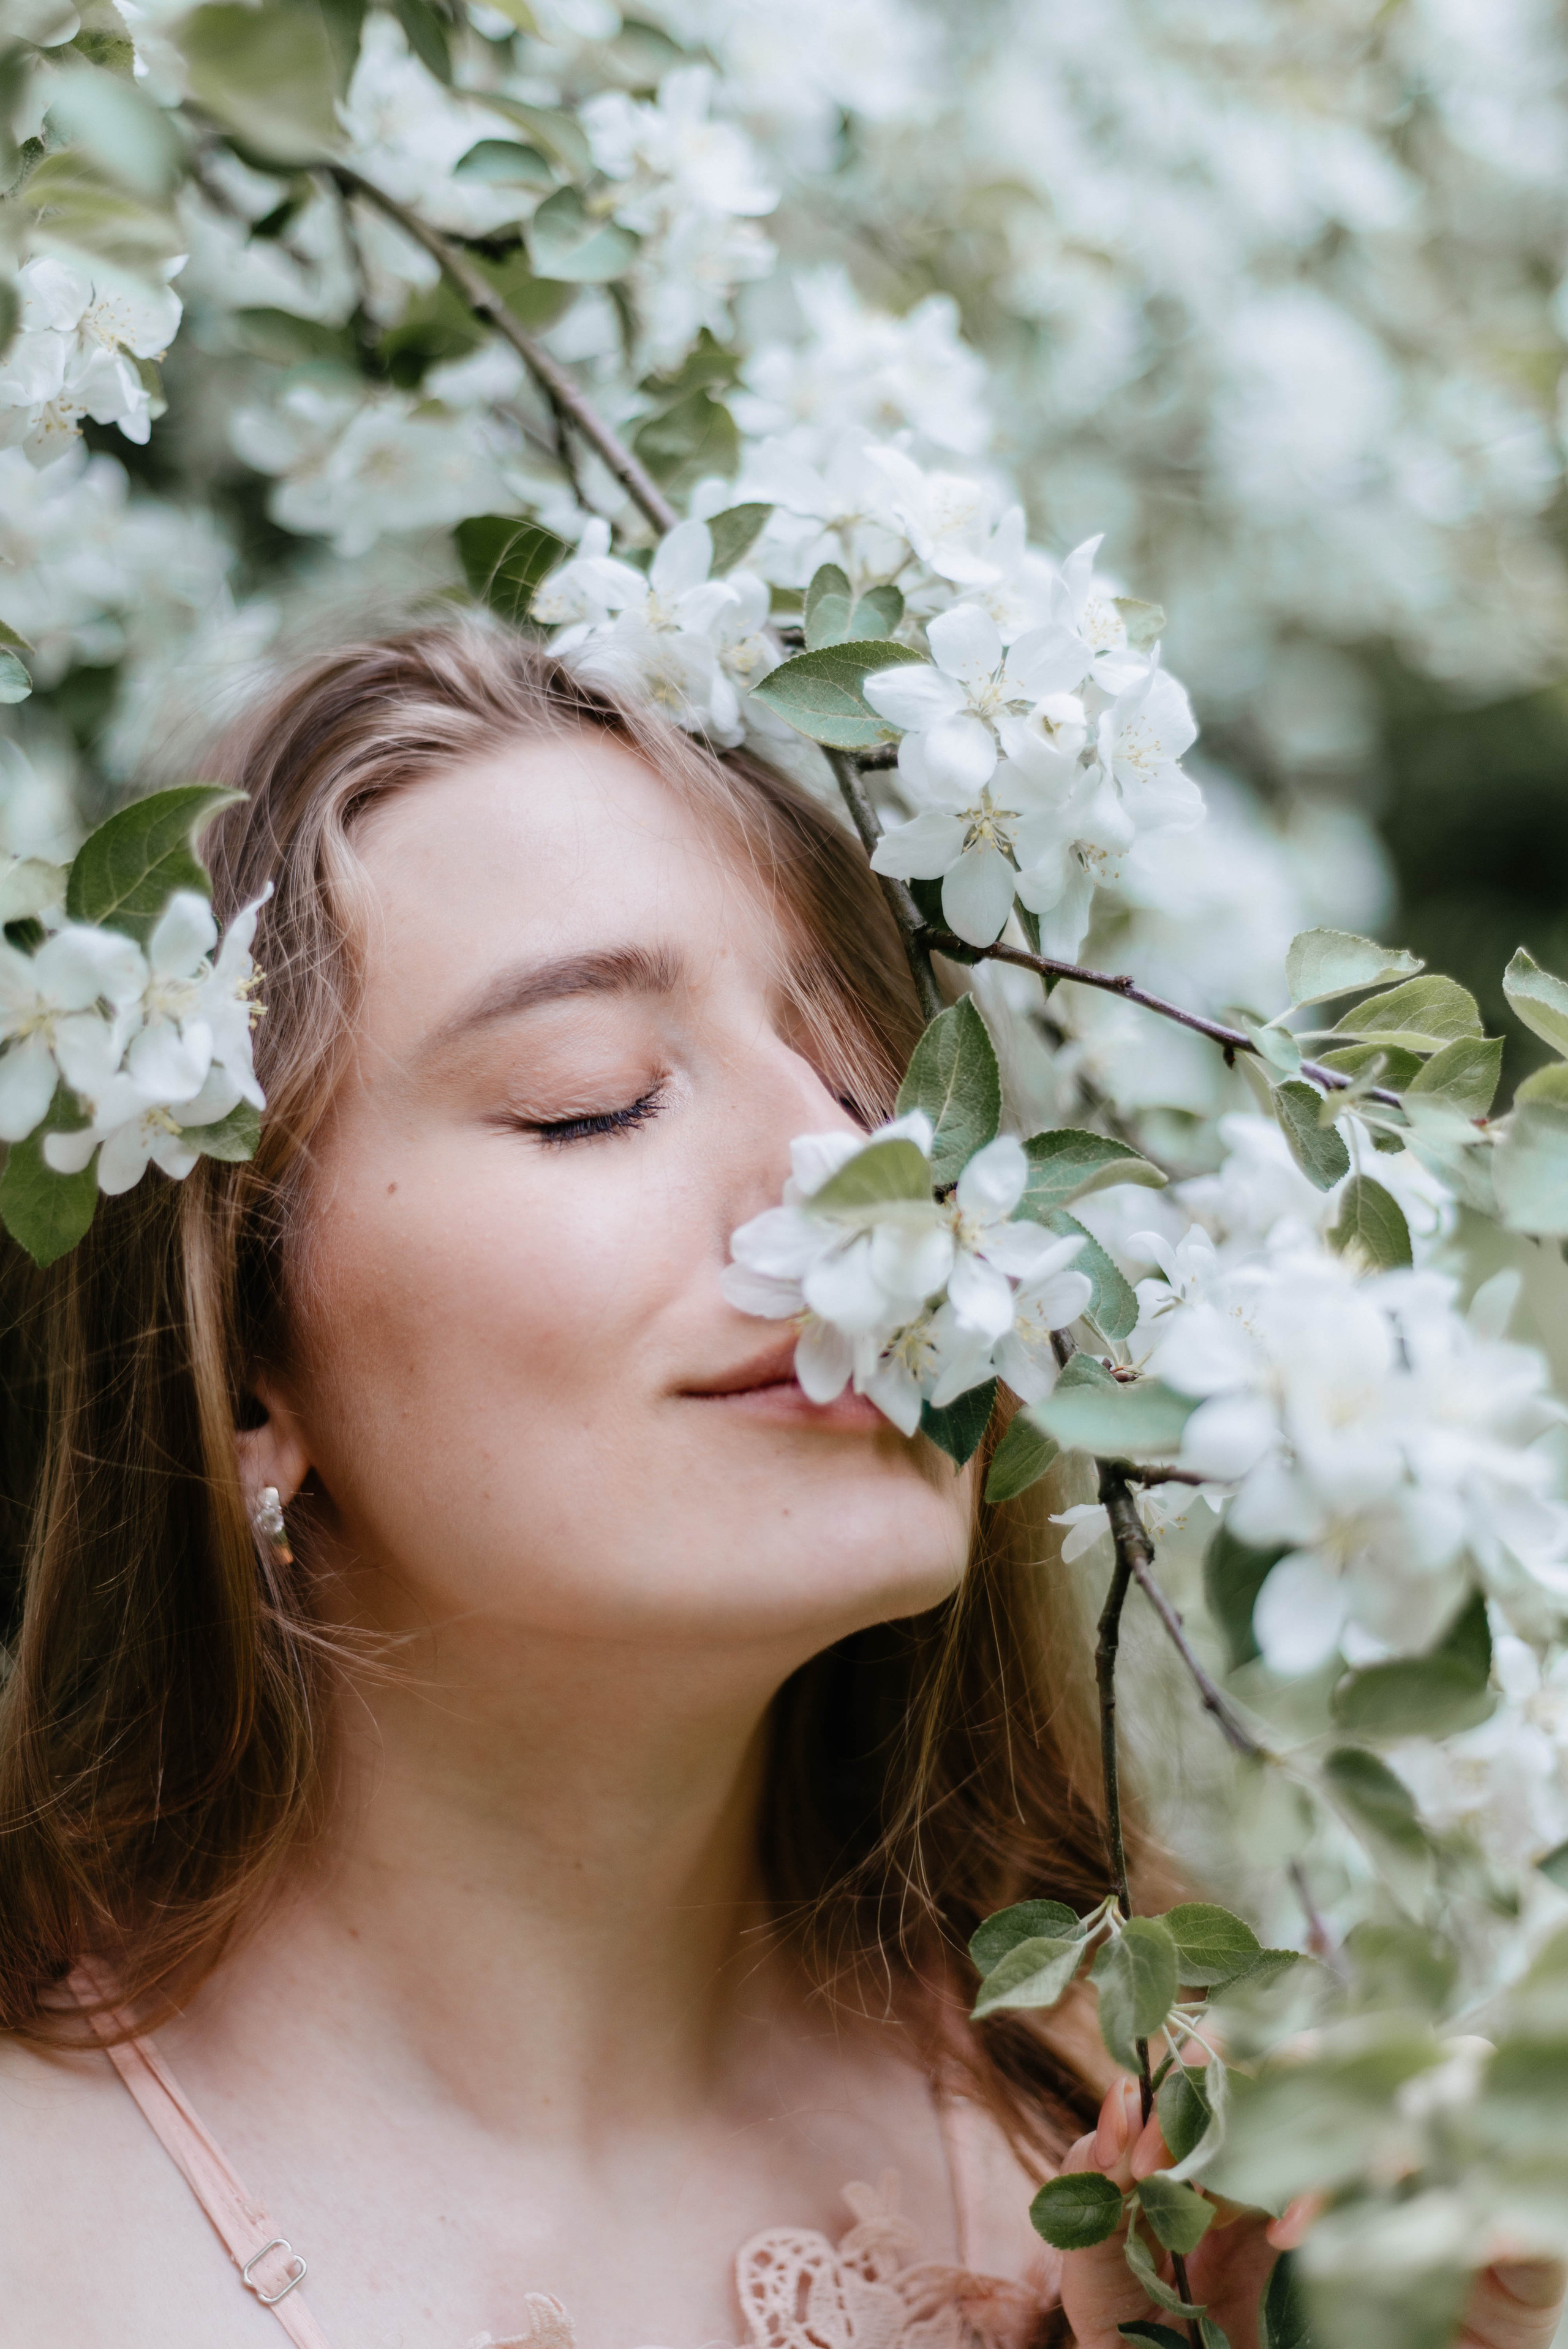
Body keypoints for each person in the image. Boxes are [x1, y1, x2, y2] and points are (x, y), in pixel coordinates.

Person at [0, 627, 1557, 2349]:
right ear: (242, 1365)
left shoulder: (1178, 2152)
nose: (851, 1171)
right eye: (591, 1102)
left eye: (851, 1055)